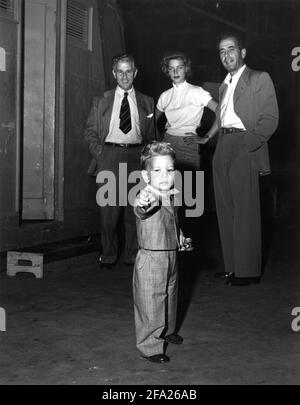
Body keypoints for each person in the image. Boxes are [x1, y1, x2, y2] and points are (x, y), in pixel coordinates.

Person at [196, 33, 279, 286]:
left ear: (242, 53)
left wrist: (248, 144)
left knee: (245, 211)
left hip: (245, 143)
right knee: (225, 209)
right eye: (222, 51)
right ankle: (232, 266)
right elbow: (222, 118)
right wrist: (209, 139)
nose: (226, 55)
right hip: (223, 146)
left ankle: (248, 271)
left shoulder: (259, 78)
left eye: (231, 49)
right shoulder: (223, 85)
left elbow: (271, 118)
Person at [84, 53, 156, 270]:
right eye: (120, 71)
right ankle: (107, 255)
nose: (124, 76)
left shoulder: (147, 101)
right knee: (109, 211)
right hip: (110, 156)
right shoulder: (101, 101)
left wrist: (146, 159)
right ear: (114, 74)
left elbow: (152, 135)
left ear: (135, 73)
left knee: (135, 209)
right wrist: (102, 155)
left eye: (129, 71)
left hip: (136, 156)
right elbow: (90, 132)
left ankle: (132, 255)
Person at [133, 141, 188, 364]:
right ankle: (150, 344)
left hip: (170, 252)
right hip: (152, 256)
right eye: (157, 170)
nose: (165, 175)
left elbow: (172, 220)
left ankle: (167, 329)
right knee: (151, 300)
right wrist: (142, 202)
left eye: (170, 170)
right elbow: (140, 209)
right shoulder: (147, 194)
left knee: (170, 295)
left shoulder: (170, 194)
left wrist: (181, 237)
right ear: (146, 176)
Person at [156, 51, 217, 171]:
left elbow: (222, 112)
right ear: (167, 71)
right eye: (171, 68)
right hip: (167, 144)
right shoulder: (165, 95)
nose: (175, 72)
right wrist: (159, 139)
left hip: (189, 143)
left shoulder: (197, 92)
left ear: (186, 69)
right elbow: (152, 120)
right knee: (168, 187)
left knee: (192, 187)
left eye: (179, 67)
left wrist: (207, 137)